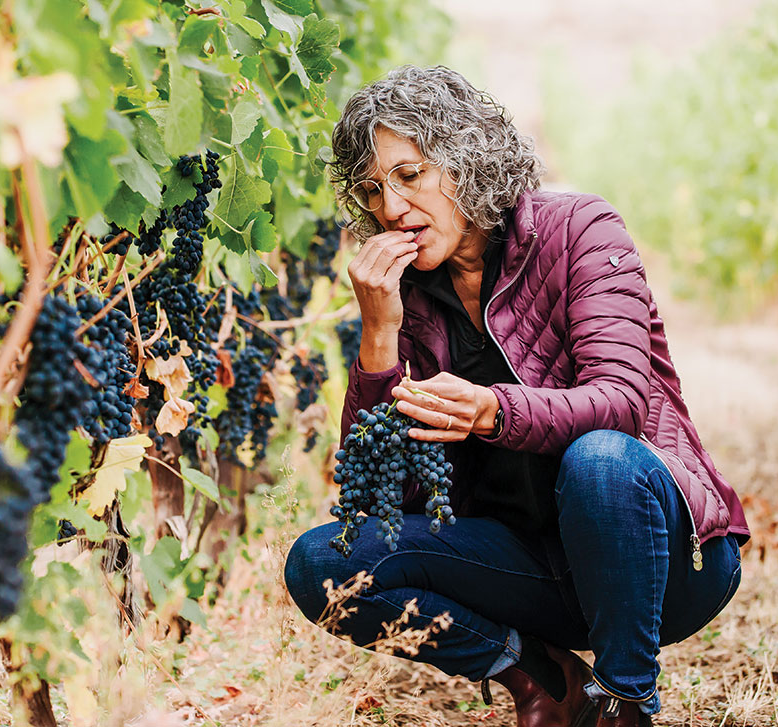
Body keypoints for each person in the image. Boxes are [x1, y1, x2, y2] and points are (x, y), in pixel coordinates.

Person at [283, 65, 750, 727]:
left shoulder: (578, 229)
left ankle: (623, 702)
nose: (389, 208)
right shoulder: (406, 298)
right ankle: (538, 675)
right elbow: (376, 508)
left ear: (466, 158)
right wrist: (379, 338)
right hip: (531, 572)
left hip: (664, 565)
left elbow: (622, 400)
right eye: (372, 190)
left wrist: (492, 409)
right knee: (320, 562)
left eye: (409, 176)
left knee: (600, 459)